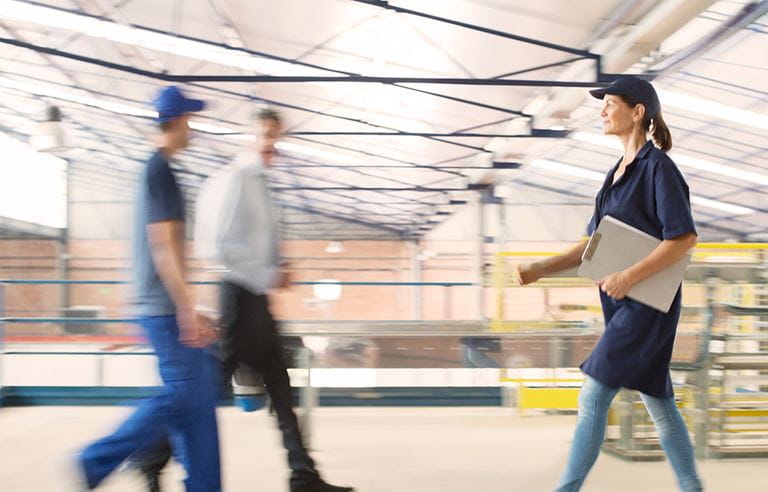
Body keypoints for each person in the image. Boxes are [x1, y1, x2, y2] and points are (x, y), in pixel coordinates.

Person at [131, 108, 354, 492]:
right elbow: (216, 248)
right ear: (249, 137)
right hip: (237, 298)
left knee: (281, 389)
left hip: (256, 300)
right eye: (265, 135)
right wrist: (269, 273)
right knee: (207, 387)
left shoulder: (260, 183)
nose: (272, 143)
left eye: (277, 136)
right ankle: (152, 455)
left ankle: (303, 474)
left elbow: (249, 242)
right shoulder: (234, 179)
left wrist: (274, 267)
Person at [514, 76, 703, 492]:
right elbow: (593, 244)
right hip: (621, 303)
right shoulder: (614, 175)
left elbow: (684, 238)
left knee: (593, 396)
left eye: (610, 103)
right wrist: (541, 268)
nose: (602, 111)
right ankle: (693, 488)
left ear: (638, 112)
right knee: (660, 404)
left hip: (646, 306)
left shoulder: (659, 170)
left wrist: (629, 275)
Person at [78, 86, 221, 491]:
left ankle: (206, 485)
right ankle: (95, 459)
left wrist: (191, 305)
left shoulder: (156, 170)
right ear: (177, 121)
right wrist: (188, 307)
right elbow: (165, 247)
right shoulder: (159, 171)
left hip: (160, 305)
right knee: (180, 398)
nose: (194, 129)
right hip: (163, 307)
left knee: (195, 403)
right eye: (191, 120)